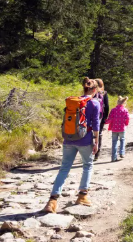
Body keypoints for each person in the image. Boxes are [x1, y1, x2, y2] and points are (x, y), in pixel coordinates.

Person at [43, 78, 101, 213]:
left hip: (69, 139)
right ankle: (82, 196)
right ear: (95, 89)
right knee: (87, 165)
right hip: (85, 140)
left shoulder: (73, 101)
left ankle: (52, 200)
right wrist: (96, 141)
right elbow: (96, 125)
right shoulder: (94, 103)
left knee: (64, 168)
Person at [107, 96, 130, 161]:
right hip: (122, 128)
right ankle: (122, 153)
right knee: (122, 140)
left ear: (117, 103)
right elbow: (127, 118)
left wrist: (105, 122)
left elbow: (110, 118)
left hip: (114, 129)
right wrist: (126, 124)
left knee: (114, 142)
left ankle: (113, 157)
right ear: (124, 104)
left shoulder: (113, 110)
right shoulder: (125, 110)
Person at [93, 78, 110, 161]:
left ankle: (88, 152)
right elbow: (106, 107)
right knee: (98, 133)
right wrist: (105, 118)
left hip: (90, 116)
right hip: (100, 116)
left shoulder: (91, 92)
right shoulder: (104, 93)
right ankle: (97, 153)